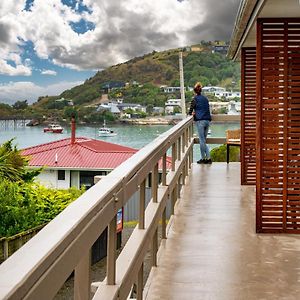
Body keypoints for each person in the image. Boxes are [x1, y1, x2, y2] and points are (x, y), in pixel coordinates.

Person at [189, 82, 212, 164]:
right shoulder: (205, 99)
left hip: (200, 121)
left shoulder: (194, 99)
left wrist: (193, 114)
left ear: (195, 92)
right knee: (204, 140)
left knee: (202, 141)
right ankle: (206, 158)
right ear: (201, 90)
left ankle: (206, 158)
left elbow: (190, 111)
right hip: (207, 121)